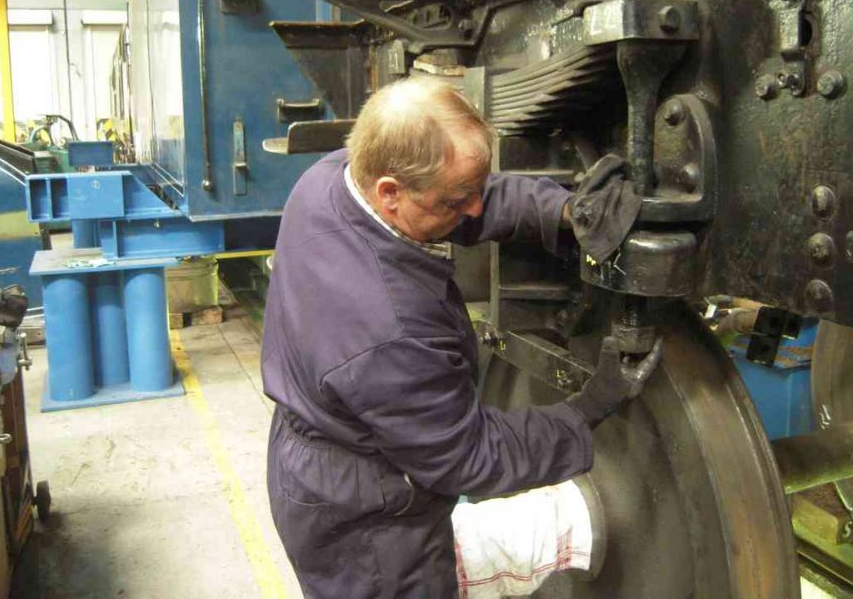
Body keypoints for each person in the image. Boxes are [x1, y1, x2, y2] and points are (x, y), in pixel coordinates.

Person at [261, 76, 659, 598]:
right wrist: (585, 412)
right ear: (390, 193)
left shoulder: (332, 177)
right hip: (365, 519)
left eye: (475, 190)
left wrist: (563, 210)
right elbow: (469, 457)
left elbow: (469, 201)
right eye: (455, 201)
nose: (473, 209)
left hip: (318, 453)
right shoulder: (389, 330)